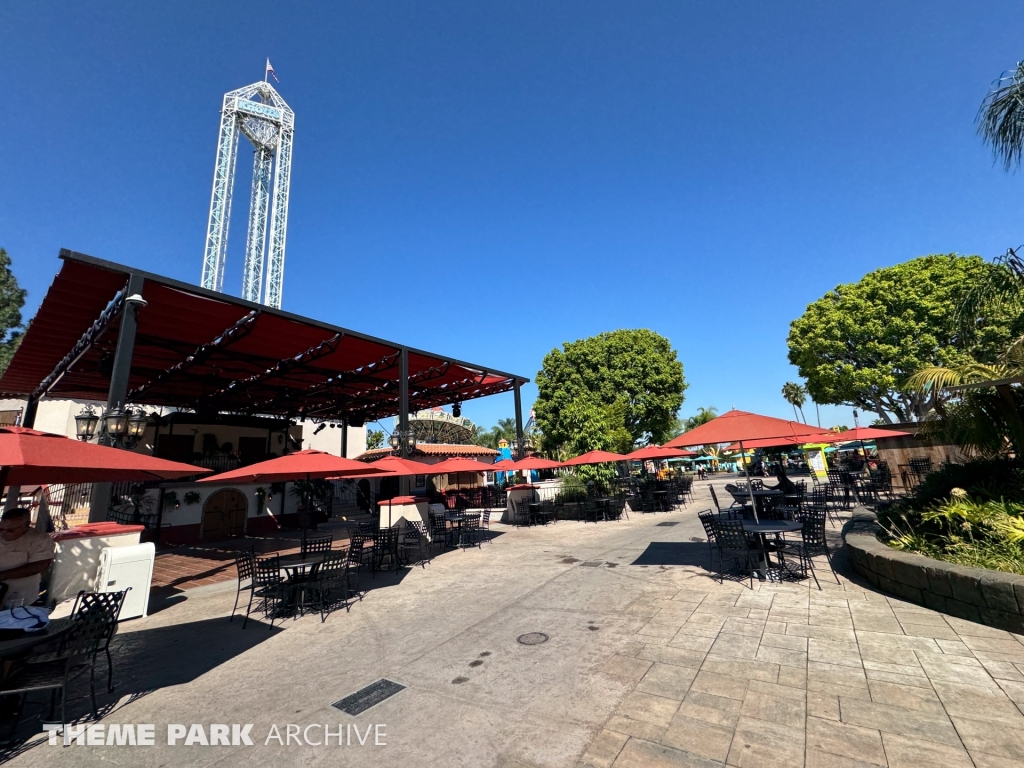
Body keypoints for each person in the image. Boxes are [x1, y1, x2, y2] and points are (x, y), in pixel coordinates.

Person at [0, 508, 56, 608]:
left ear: (26, 525)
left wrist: (3, 575)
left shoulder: (39, 539)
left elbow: (40, 565)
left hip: (21, 598)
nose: (4, 533)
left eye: (10, 530)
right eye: (1, 529)